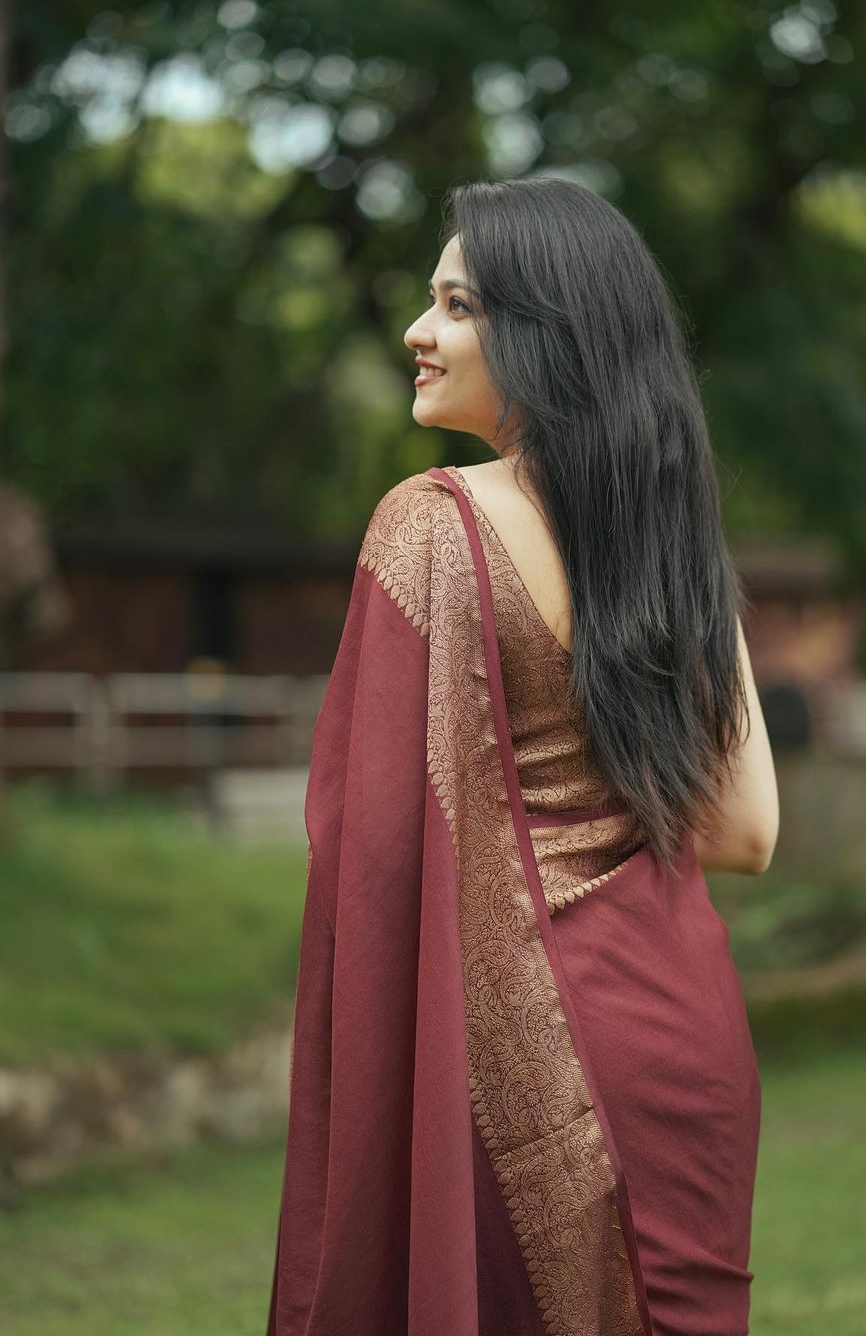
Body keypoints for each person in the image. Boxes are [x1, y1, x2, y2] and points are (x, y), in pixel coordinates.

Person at [266, 176, 779, 1336]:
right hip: (684, 1045)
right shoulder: (673, 543)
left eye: (456, 305)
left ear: (542, 333)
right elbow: (750, 835)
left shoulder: (431, 524)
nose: (418, 330)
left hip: (519, 1069)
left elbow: (378, 854)